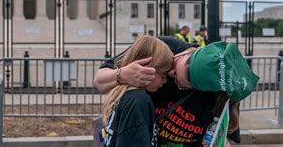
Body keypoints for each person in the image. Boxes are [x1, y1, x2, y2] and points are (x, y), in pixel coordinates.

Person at [94, 36, 258, 146]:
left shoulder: (219, 89)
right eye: (174, 66)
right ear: (186, 52)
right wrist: (121, 74)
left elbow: (229, 136)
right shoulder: (162, 49)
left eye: (179, 83)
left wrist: (221, 142)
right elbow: (99, 81)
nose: (169, 75)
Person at [102, 35, 174, 147]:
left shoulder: (124, 95)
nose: (164, 81)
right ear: (146, 68)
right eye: (163, 75)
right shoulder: (138, 100)